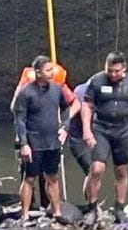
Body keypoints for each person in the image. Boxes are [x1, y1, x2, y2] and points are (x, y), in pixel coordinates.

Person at [81, 51, 128, 224]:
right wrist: (86, 130)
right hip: (101, 129)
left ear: (124, 69)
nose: (113, 74)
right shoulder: (96, 81)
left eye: (117, 71)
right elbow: (87, 105)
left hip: (123, 130)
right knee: (97, 169)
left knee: (121, 170)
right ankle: (92, 208)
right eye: (110, 70)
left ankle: (119, 208)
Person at [12, 55, 78, 221]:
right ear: (38, 72)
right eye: (48, 70)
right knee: (30, 178)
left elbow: (66, 108)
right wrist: (24, 143)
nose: (51, 73)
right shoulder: (26, 93)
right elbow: (20, 120)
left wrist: (65, 127)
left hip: (52, 140)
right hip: (34, 141)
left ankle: (56, 212)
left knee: (52, 177)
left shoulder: (56, 89)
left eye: (52, 69)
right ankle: (25, 214)